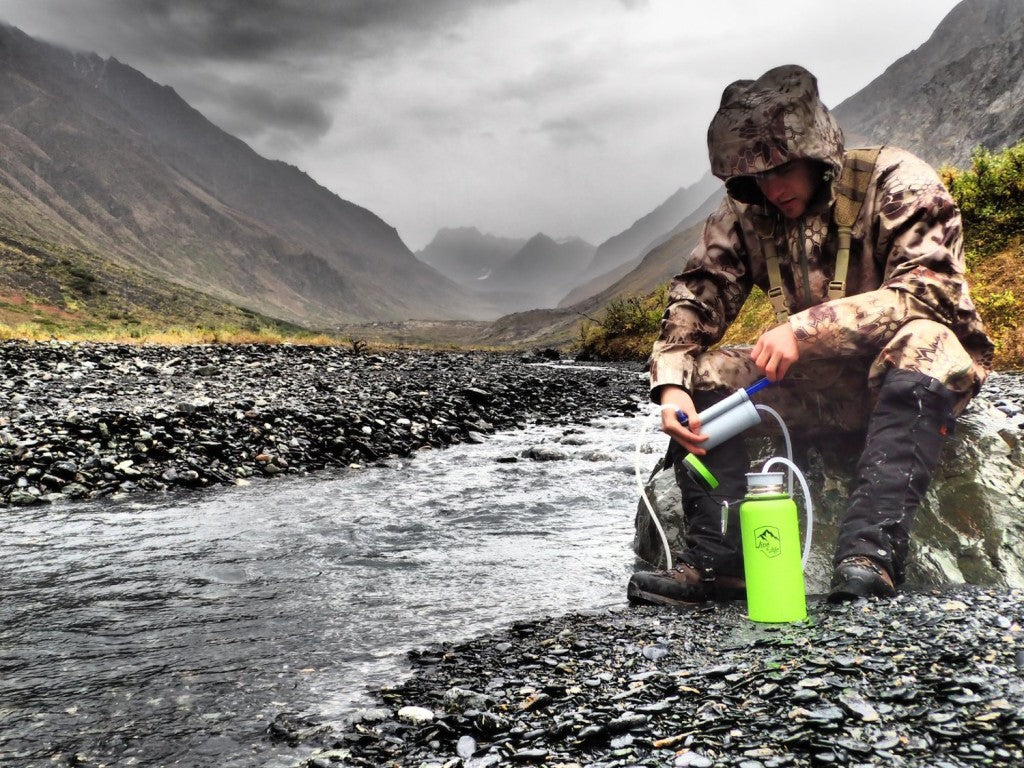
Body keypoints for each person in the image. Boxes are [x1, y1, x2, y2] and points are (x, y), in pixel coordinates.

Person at [627, 64, 993, 606]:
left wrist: (805, 329)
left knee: (928, 343)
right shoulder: (749, 211)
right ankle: (721, 564)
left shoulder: (897, 183)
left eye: (781, 169)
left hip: (899, 379)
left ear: (816, 154)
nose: (771, 188)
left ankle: (867, 558)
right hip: (809, 389)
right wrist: (673, 384)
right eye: (754, 177)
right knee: (704, 377)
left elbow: (932, 294)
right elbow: (699, 291)